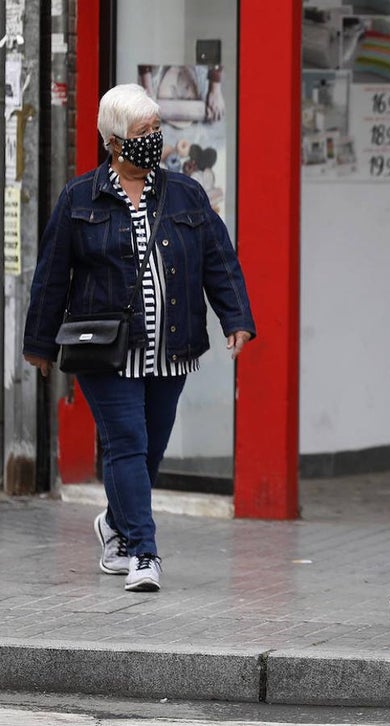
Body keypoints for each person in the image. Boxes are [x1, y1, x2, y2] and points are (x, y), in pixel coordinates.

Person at [22, 83, 256, 593]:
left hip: (171, 348)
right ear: (113, 142)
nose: (155, 140)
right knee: (126, 443)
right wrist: (39, 344)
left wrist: (235, 318)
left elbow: (218, 260)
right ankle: (142, 552)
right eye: (143, 133)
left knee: (149, 448)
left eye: (157, 130)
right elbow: (52, 273)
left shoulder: (186, 193)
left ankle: (113, 522)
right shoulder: (79, 197)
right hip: (103, 351)